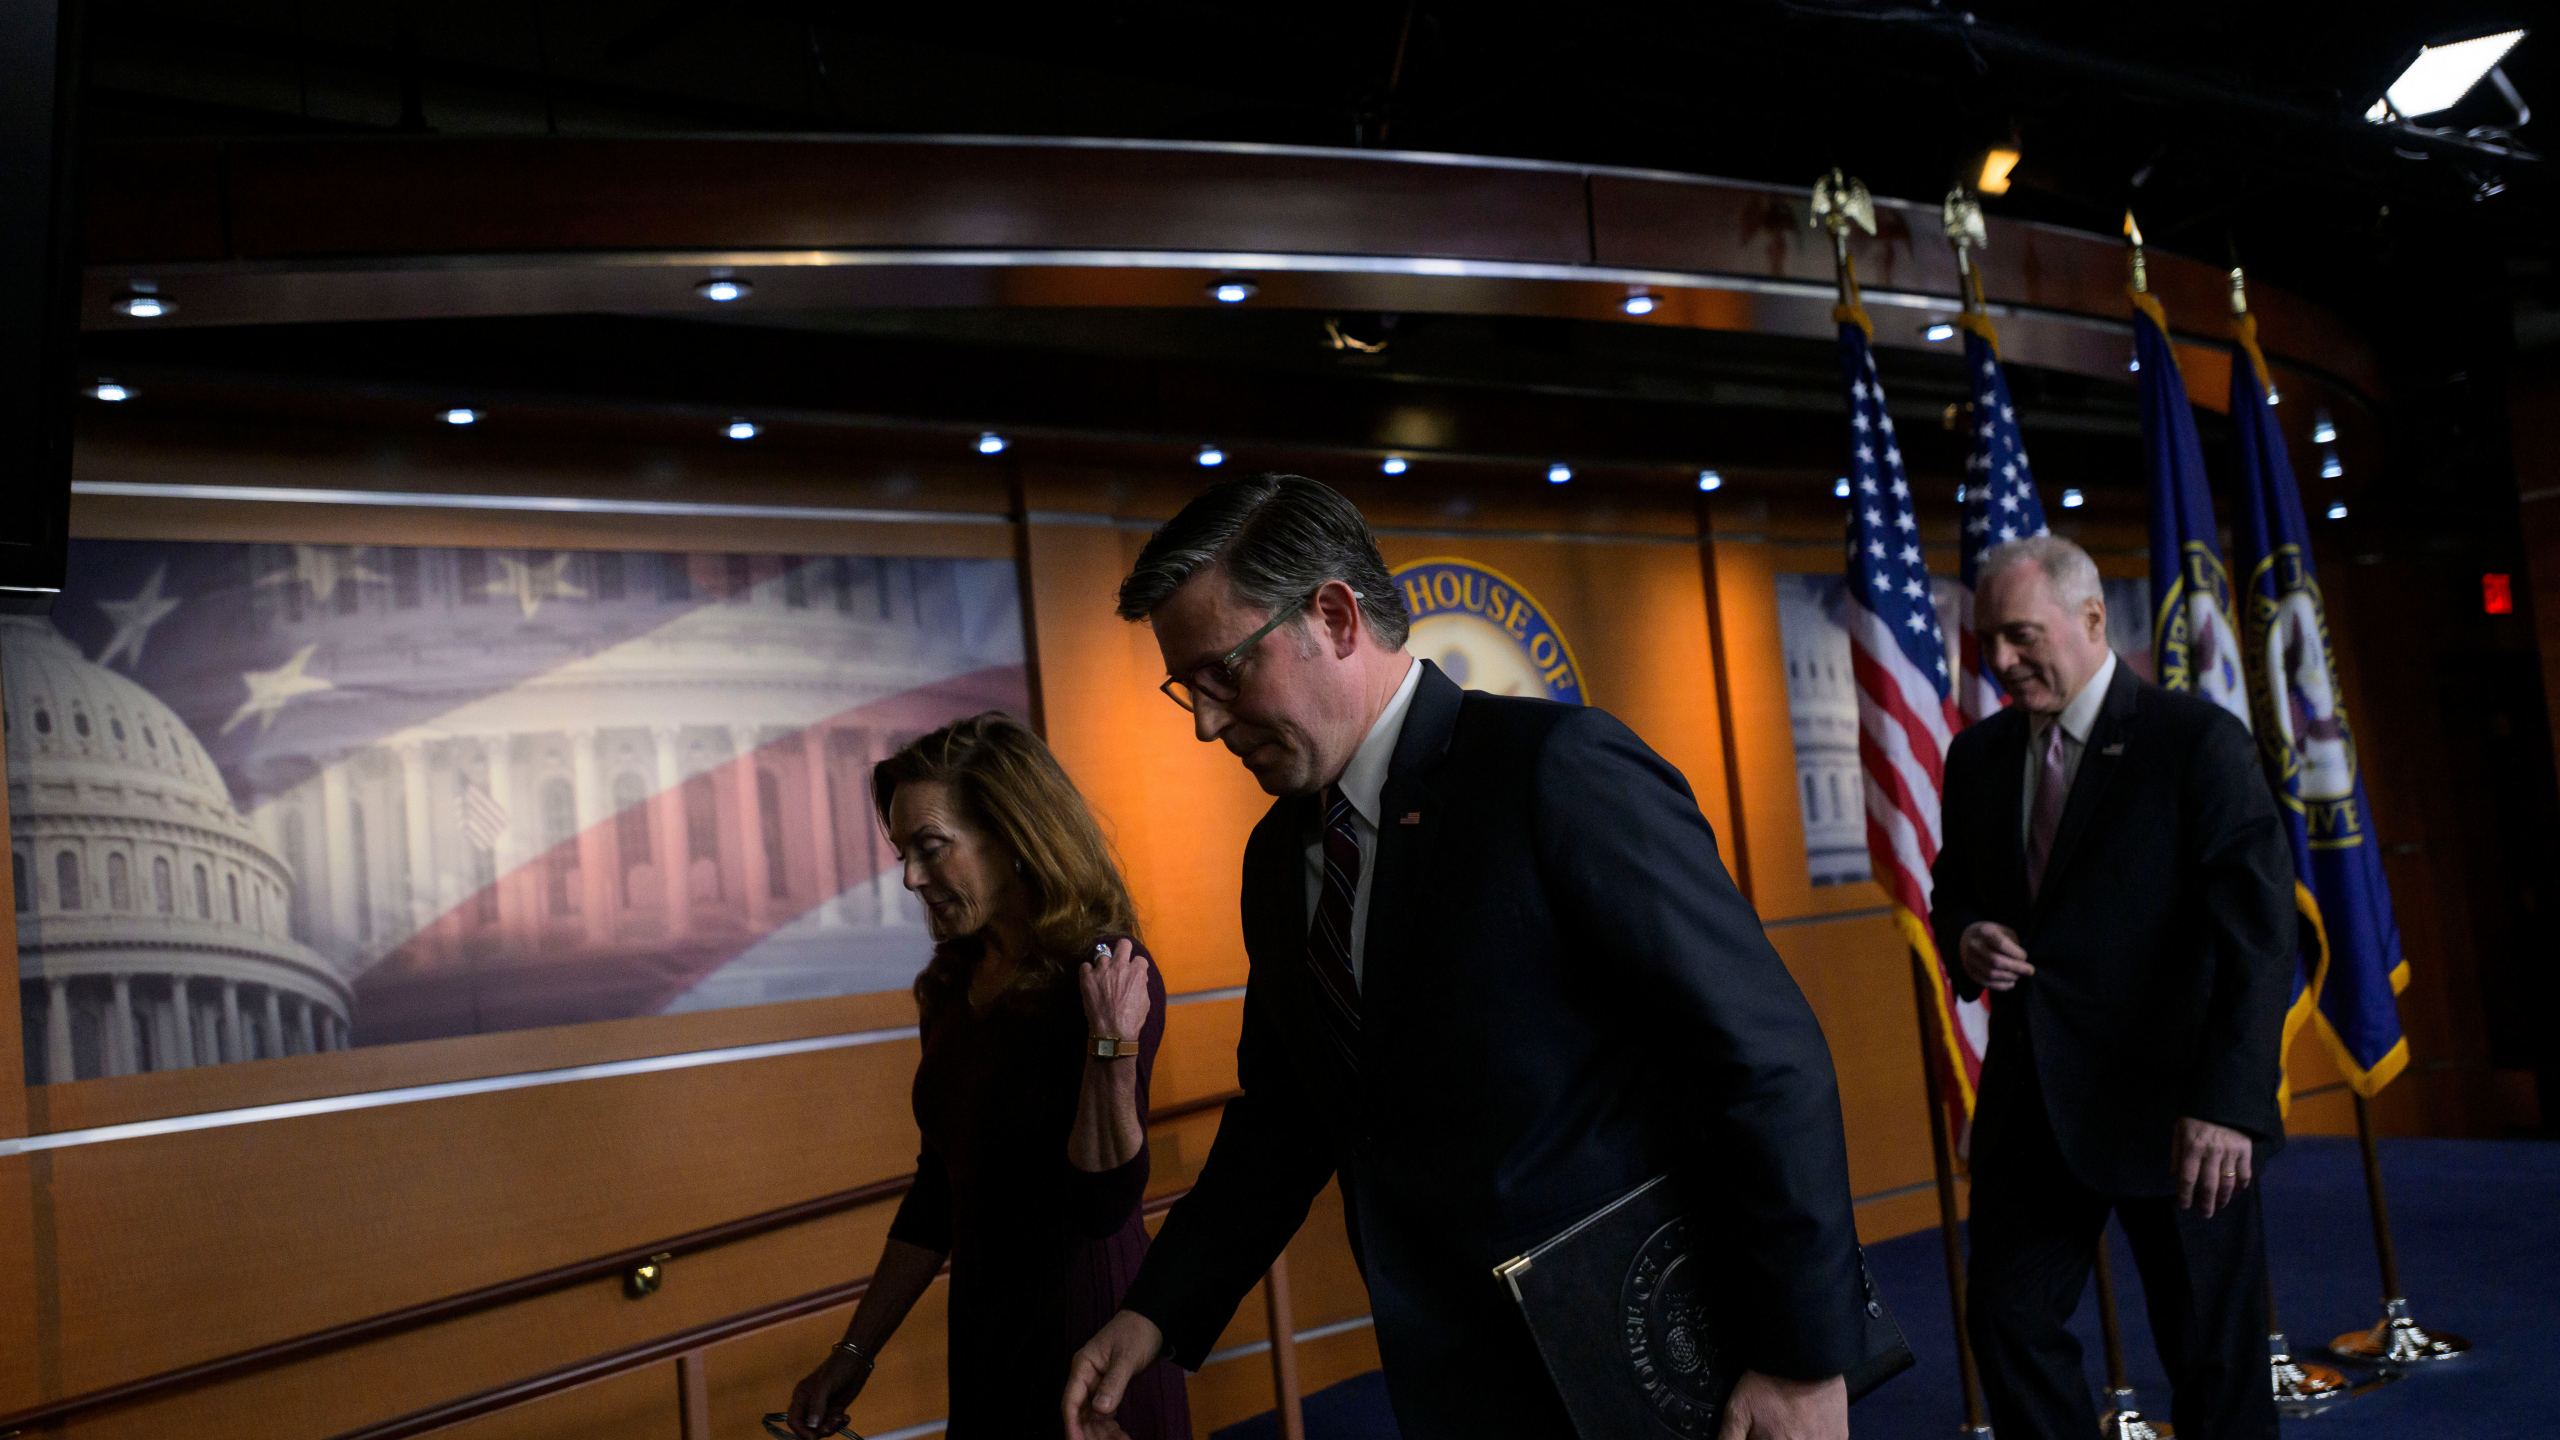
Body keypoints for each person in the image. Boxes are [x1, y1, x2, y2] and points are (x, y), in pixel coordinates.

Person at [1063, 474, 1866, 1440]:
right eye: (1182, 687)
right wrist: (1159, 1310)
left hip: (1655, 1366)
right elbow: (1288, 1117)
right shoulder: (1278, 857)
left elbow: (1762, 1059)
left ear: (1334, 615)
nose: (1203, 722)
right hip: (1455, 1383)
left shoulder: (1554, 769)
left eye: (1224, 673)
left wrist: (1804, 1358)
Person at [1933, 536, 2294, 1439]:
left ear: (2091, 620)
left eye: (2021, 635)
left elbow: (2257, 935)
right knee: (2009, 1323)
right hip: (2035, 1109)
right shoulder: (1975, 758)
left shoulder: (2194, 741)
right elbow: (1956, 890)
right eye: (1990, 643)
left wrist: (2229, 1103)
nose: (2003, 662)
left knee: (2212, 1358)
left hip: (2183, 1118)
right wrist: (1968, 937)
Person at [784, 712, 1189, 1440]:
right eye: (905, 852)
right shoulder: (950, 983)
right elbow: (938, 1192)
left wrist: (1111, 1048)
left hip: (1090, 1342)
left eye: (931, 849)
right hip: (985, 1340)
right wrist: (853, 1353)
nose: (911, 877)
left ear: (1013, 837)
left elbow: (1101, 1204)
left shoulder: (1105, 971)